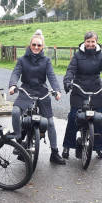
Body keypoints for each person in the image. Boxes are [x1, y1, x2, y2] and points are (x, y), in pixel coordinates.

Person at [8, 29, 65, 165]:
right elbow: (16, 73)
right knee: (16, 112)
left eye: (39, 45)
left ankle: (55, 152)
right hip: (26, 90)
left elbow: (51, 76)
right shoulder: (22, 60)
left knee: (50, 122)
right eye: (34, 45)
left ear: (42, 47)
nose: (36, 47)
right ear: (30, 45)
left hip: (42, 91)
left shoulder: (46, 61)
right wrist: (13, 85)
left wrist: (57, 90)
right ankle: (19, 140)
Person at [62, 31, 102, 160]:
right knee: (73, 118)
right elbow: (71, 70)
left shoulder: (101, 56)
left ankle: (99, 147)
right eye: (88, 41)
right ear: (84, 42)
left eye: (93, 41)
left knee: (99, 120)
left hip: (96, 90)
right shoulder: (77, 55)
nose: (90, 44)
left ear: (96, 42)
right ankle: (67, 146)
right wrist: (67, 81)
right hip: (79, 90)